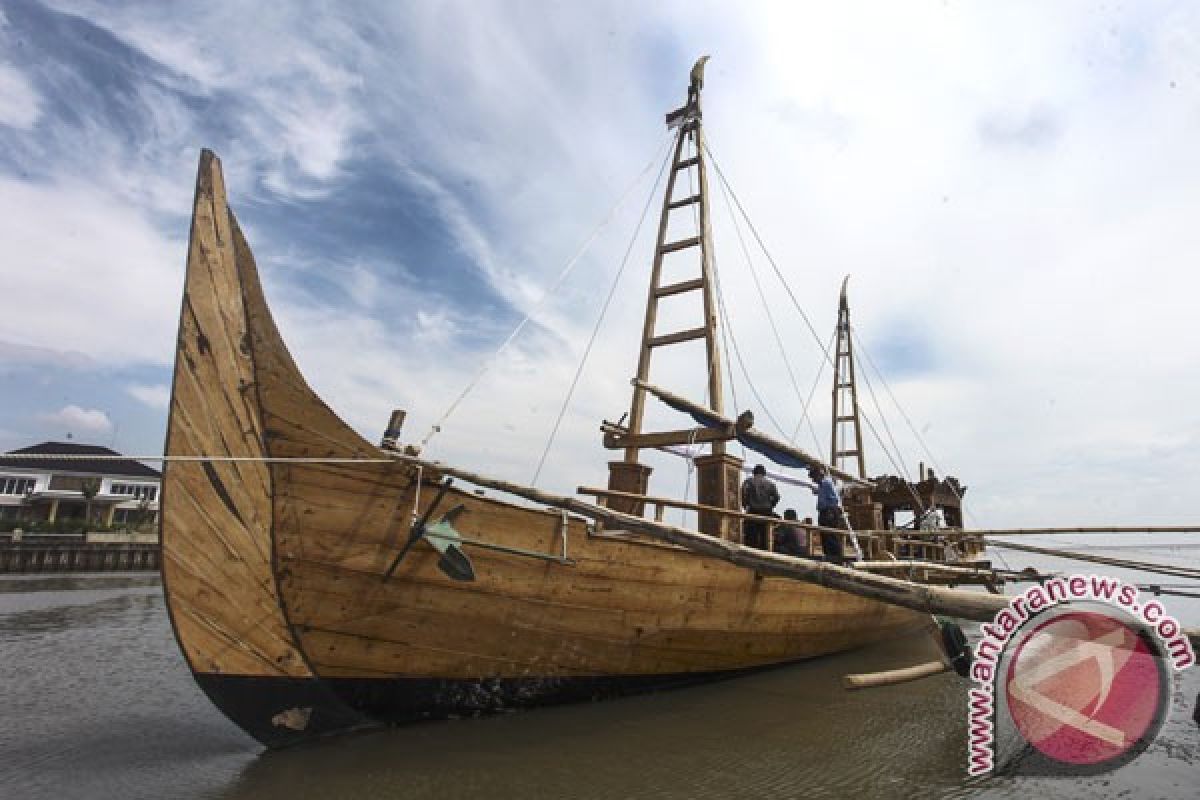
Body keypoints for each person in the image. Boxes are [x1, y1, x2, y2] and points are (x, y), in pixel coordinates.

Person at [807, 464, 847, 563]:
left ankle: (835, 559)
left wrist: (831, 511)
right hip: (825, 511)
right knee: (825, 536)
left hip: (829, 511)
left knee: (830, 535)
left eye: (813, 477)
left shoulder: (827, 483)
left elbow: (834, 497)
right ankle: (830, 557)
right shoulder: (823, 484)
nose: (813, 480)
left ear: (818, 475)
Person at [740, 464, 779, 550]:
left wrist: (745, 505)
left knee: (751, 536)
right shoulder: (771, 484)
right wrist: (771, 505)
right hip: (766, 512)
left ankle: (750, 554)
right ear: (764, 473)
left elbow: (743, 495)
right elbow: (776, 497)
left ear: (754, 472)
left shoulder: (748, 482)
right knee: (765, 536)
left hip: (753, 511)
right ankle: (765, 553)